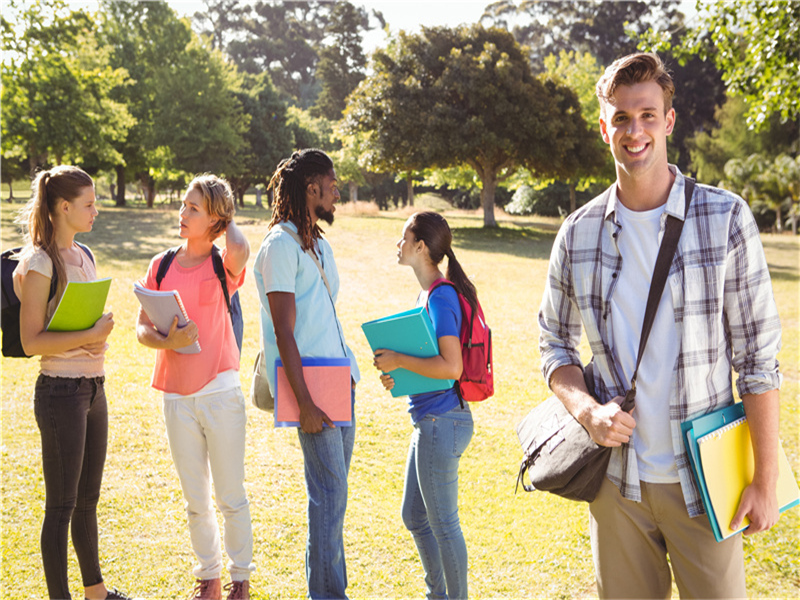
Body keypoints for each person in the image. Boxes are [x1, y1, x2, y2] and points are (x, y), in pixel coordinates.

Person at [538, 52, 783, 598]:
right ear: (604, 127)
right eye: (621, 117)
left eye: (647, 115)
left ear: (668, 121)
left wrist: (764, 479)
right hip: (618, 485)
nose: (635, 130)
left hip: (706, 478)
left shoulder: (725, 217)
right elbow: (553, 343)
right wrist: (588, 411)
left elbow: (758, 361)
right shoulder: (576, 234)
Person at [12, 166, 134, 600]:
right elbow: (30, 341)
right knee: (61, 506)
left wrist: (94, 334)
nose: (96, 210)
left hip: (93, 389)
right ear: (64, 207)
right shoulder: (41, 262)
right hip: (60, 392)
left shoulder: (84, 255)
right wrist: (91, 334)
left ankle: (96, 592)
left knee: (87, 501)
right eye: (89, 204)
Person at [135, 174, 253, 600]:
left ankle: (240, 576)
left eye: (194, 209)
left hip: (220, 392)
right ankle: (210, 576)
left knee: (230, 494)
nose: (183, 214)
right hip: (176, 395)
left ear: (215, 220)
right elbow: (142, 329)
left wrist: (229, 216)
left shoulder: (224, 263)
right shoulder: (161, 265)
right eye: (184, 205)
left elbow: (241, 247)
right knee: (195, 497)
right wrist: (169, 340)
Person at [253, 148, 360, 599]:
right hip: (311, 389)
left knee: (335, 499)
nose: (337, 194)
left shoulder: (315, 241)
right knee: (328, 497)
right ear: (311, 188)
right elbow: (284, 331)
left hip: (339, 380)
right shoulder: (279, 245)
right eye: (332, 186)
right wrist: (306, 404)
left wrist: (350, 374)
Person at [372, 211, 475, 599]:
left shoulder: (442, 296)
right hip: (429, 419)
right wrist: (399, 374)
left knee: (444, 524)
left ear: (420, 247)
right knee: (415, 515)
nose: (398, 245)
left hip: (442, 420)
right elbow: (432, 361)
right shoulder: (427, 295)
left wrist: (399, 360)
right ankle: (439, 594)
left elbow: (452, 367)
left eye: (403, 238)